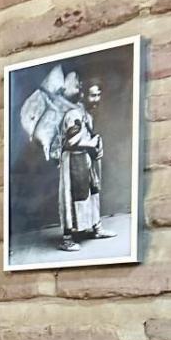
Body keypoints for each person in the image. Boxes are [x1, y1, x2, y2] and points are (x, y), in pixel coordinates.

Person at [57, 77, 114, 252]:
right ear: (82, 94)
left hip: (85, 158)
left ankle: (96, 228)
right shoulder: (74, 114)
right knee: (72, 197)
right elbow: (69, 143)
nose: (96, 99)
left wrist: (95, 145)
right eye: (92, 95)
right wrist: (91, 144)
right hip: (72, 160)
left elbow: (86, 138)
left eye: (98, 95)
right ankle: (67, 239)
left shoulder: (86, 115)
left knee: (93, 192)